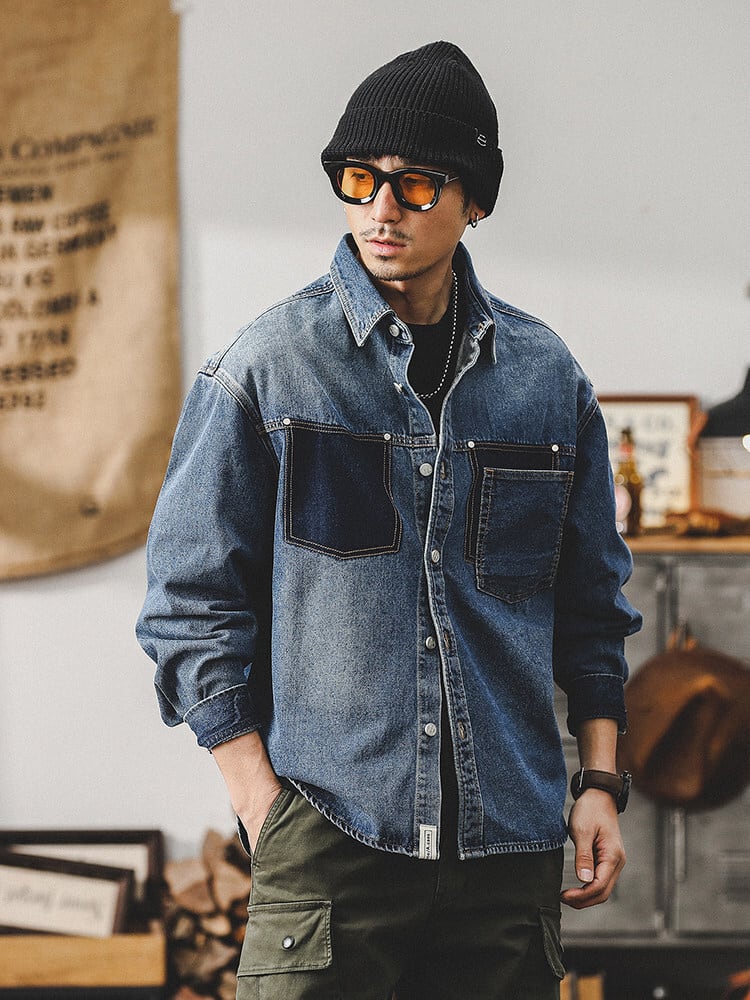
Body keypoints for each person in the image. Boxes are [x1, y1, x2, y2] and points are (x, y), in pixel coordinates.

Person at [136, 40, 642, 1000]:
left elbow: (591, 607)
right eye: (360, 179)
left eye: (415, 185)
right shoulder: (267, 370)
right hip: (330, 838)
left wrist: (601, 784)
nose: (380, 209)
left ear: (475, 201)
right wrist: (258, 801)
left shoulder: (547, 383)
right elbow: (187, 604)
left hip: (508, 848)